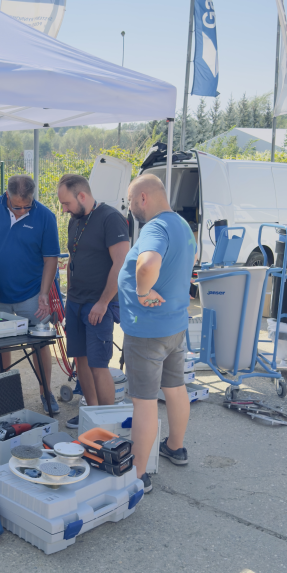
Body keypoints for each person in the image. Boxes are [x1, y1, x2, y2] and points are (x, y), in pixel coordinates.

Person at [117, 173, 197, 495]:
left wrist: (141, 290)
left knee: (145, 402)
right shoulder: (183, 226)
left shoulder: (156, 227)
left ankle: (138, 474)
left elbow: (148, 264)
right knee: (175, 389)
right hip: (174, 326)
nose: (130, 208)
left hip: (148, 330)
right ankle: (175, 447)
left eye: (131, 201)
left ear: (144, 198)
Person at [0, 174, 61, 413]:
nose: (21, 211)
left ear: (33, 197)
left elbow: (51, 259)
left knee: (40, 343)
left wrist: (44, 293)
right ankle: (5, 391)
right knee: (0, 344)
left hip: (32, 294)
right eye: (16, 206)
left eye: (27, 206)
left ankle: (45, 391)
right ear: (6, 196)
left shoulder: (46, 216)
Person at [57, 174, 130, 430]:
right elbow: (72, 259)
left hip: (98, 304)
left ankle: (107, 424)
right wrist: (68, 298)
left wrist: (103, 302)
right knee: (81, 361)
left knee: (99, 364)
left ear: (82, 196)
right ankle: (91, 414)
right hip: (75, 302)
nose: (64, 209)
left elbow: (121, 264)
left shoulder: (111, 218)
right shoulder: (75, 220)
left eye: (66, 203)